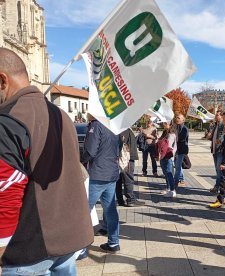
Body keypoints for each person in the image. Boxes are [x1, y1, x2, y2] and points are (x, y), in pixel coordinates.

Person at [0, 48, 93, 274]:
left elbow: (6, 191)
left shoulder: (8, 120)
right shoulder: (61, 115)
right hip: (69, 238)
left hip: (28, 250)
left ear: (2, 80)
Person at [81, 114, 121, 253]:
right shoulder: (112, 126)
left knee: (84, 210)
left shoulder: (96, 126)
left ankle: (81, 248)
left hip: (98, 173)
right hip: (111, 172)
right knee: (110, 210)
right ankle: (113, 242)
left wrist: (81, 159)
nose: (87, 114)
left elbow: (90, 151)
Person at [116, 128, 143, 207]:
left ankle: (120, 199)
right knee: (128, 179)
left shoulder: (121, 129)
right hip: (126, 158)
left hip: (123, 157)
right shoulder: (124, 129)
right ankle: (130, 199)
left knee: (119, 180)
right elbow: (121, 143)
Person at [158, 121, 177, 198]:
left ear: (170, 125)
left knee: (169, 173)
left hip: (168, 156)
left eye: (166, 123)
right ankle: (168, 188)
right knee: (166, 173)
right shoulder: (165, 132)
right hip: (163, 156)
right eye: (164, 123)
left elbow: (168, 146)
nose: (164, 124)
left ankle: (172, 190)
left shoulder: (171, 134)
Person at [209, 111, 225, 194]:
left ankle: (217, 187)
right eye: (216, 115)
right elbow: (214, 137)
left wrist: (220, 140)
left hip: (220, 150)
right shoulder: (216, 125)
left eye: (217, 115)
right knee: (217, 170)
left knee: (219, 170)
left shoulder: (223, 125)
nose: (216, 116)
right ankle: (222, 187)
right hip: (215, 150)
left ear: (222, 116)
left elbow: (224, 135)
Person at [174, 114, 189, 187]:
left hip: (181, 149)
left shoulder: (184, 128)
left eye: (179, 118)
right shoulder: (176, 127)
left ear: (183, 120)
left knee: (177, 166)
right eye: (177, 117)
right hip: (176, 149)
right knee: (178, 165)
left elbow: (182, 139)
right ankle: (181, 179)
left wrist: (173, 139)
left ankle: (175, 181)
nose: (177, 119)